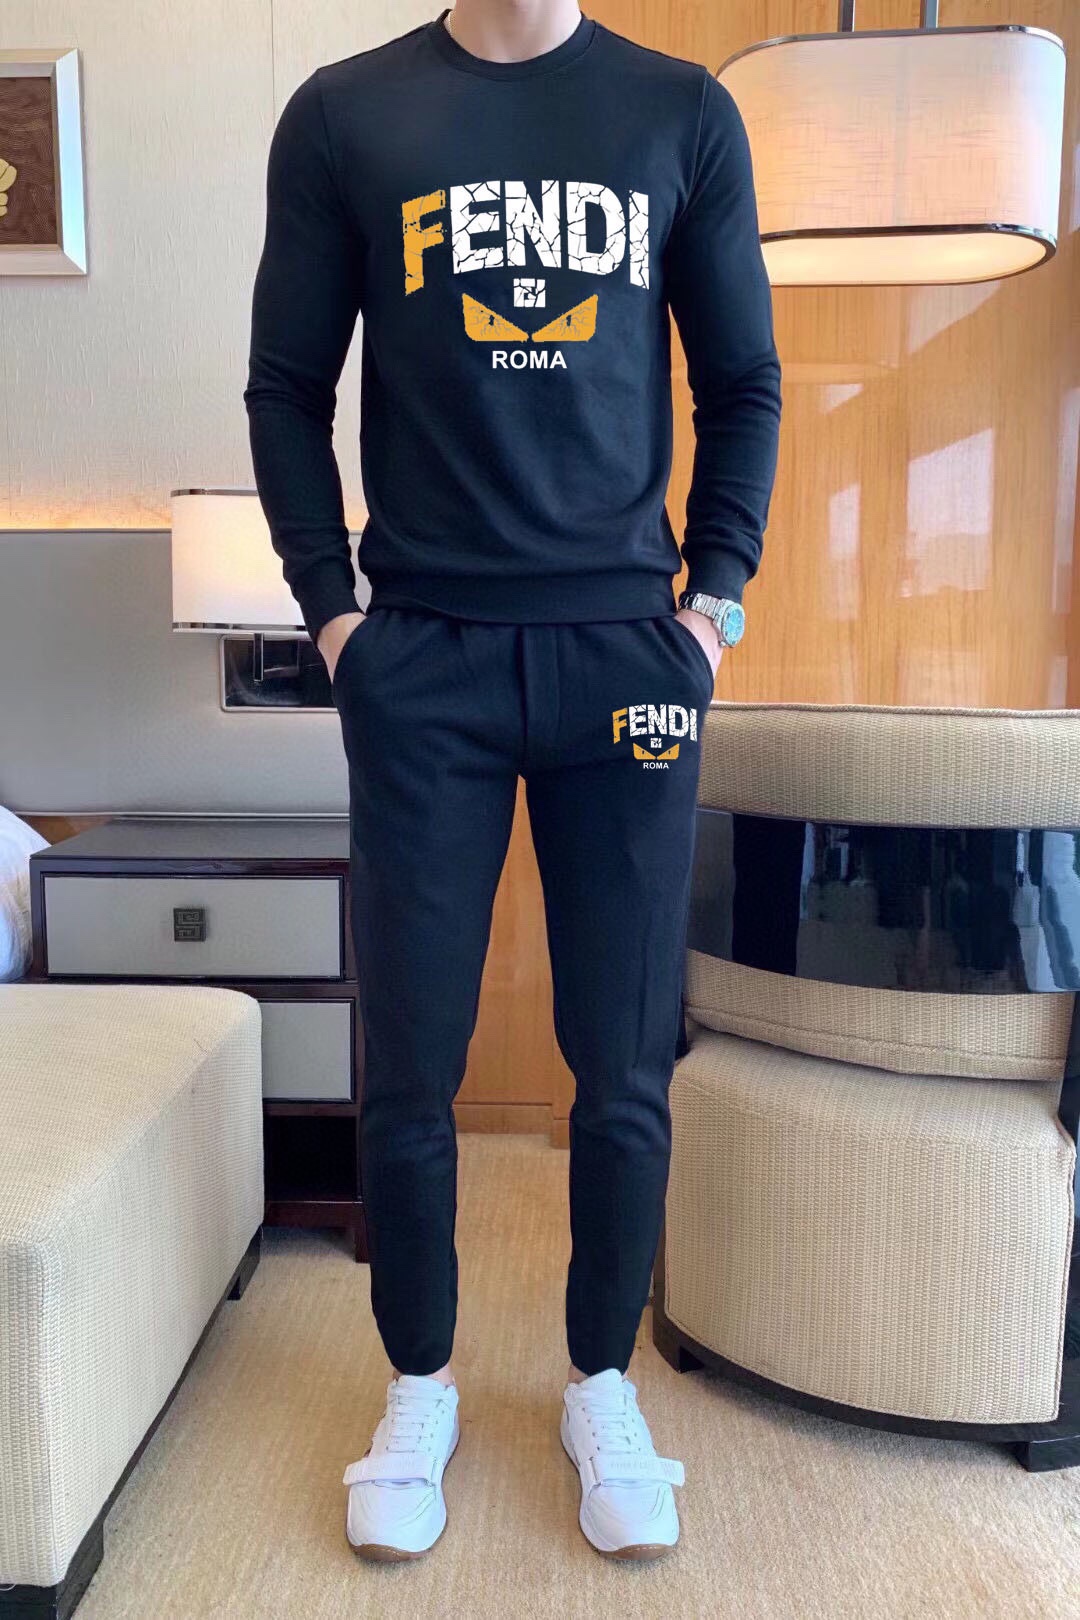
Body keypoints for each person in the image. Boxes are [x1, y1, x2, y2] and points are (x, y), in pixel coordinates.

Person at [245, 0, 780, 1563]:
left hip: (631, 659)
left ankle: (600, 1382)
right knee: (412, 1060)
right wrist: (334, 618)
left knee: (623, 1057)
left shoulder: (682, 112)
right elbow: (286, 386)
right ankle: (419, 1383)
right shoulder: (344, 114)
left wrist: (712, 610)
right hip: (423, 658)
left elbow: (744, 382)